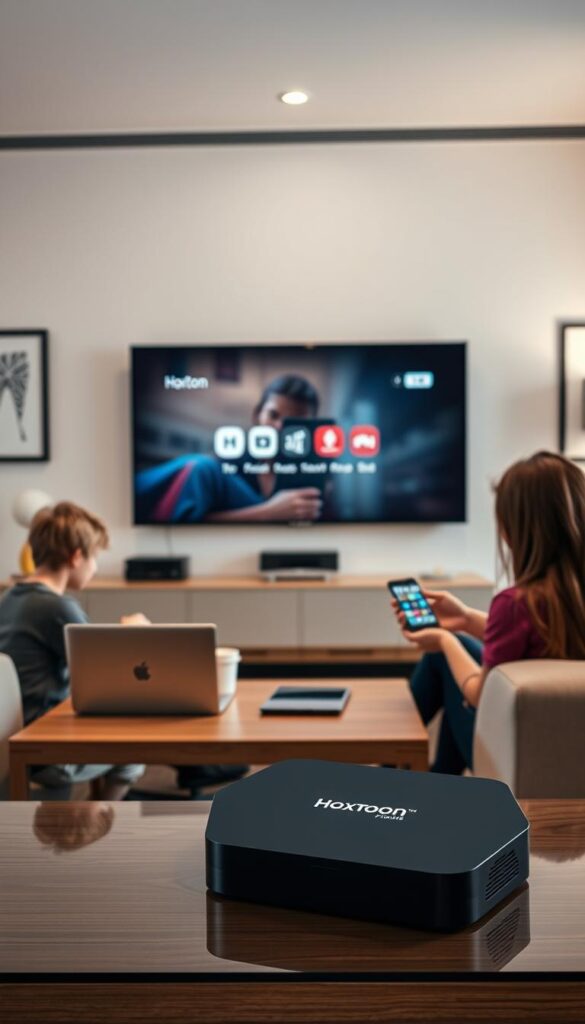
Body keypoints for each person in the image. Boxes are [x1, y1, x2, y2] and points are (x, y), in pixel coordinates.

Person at [394, 451, 585, 774]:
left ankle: (385, 768)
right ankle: (437, 783)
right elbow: (545, 639)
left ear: (513, 530)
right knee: (457, 647)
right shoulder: (566, 597)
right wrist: (466, 619)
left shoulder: (515, 603)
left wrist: (444, 640)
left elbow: (480, 695)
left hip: (521, 755)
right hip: (570, 748)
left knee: (444, 660)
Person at [0, 501, 145, 800]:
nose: (95, 567)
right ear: (76, 556)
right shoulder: (57, 606)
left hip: (14, 735)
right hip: (45, 747)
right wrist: (132, 634)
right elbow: (105, 676)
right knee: (134, 751)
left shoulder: (10, 596)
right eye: (94, 558)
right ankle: (99, 824)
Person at [136, 374, 324, 523]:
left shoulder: (314, 473)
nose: (279, 427)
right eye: (273, 415)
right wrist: (268, 513)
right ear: (257, 415)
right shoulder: (229, 463)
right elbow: (191, 524)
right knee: (200, 467)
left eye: (295, 420)